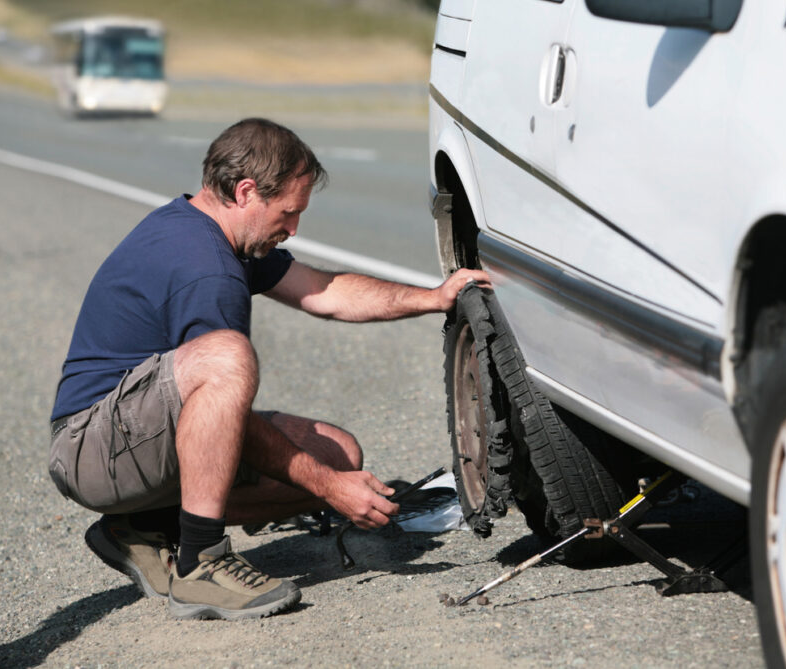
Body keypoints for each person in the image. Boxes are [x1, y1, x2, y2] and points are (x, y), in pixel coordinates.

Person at [48, 118, 490, 621]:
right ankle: (200, 564)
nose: (294, 229)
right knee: (229, 358)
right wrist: (327, 487)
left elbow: (325, 293)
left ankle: (142, 525)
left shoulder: (216, 232)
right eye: (288, 212)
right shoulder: (204, 267)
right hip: (91, 448)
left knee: (339, 453)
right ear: (246, 191)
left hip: (135, 435)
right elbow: (223, 395)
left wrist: (432, 298)